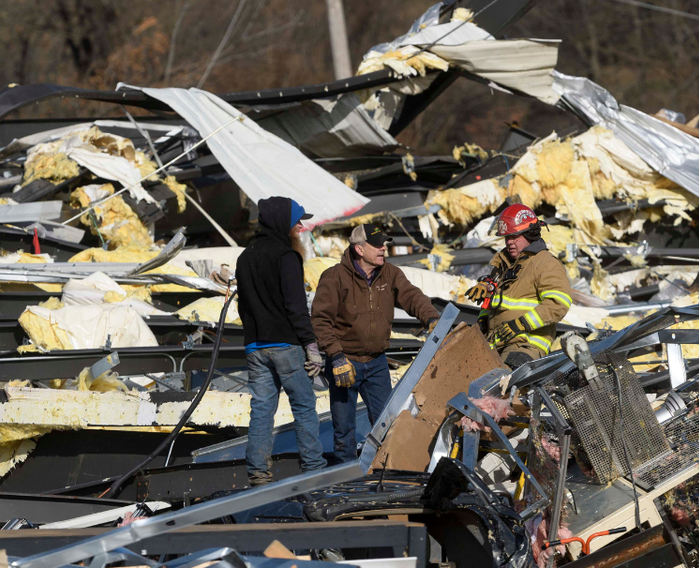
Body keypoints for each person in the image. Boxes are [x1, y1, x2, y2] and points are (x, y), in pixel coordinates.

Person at [312, 223, 440, 462]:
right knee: (344, 429)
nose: (384, 249)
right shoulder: (334, 277)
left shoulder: (389, 273)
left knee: (388, 424)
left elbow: (412, 296)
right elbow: (320, 320)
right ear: (360, 249)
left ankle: (385, 469)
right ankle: (346, 477)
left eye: (384, 244)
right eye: (378, 245)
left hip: (377, 363)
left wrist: (432, 317)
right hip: (344, 361)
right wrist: (336, 356)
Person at [236, 196, 327, 486]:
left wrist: (252, 337)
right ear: (282, 222)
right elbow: (296, 307)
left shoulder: (245, 257)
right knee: (303, 405)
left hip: (255, 347)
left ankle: (258, 473)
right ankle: (314, 470)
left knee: (262, 409)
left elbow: (243, 306)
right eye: (296, 221)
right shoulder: (287, 257)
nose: (301, 226)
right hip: (286, 346)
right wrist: (311, 347)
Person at [464, 204, 572, 369]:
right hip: (496, 344)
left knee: (504, 387)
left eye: (515, 236)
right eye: (507, 237)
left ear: (530, 233)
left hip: (526, 345)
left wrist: (521, 324)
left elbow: (558, 303)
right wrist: (482, 321)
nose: (510, 242)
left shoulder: (545, 263)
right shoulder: (504, 264)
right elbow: (493, 302)